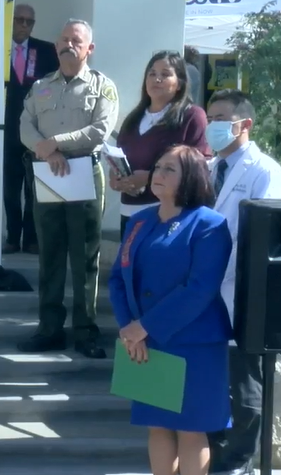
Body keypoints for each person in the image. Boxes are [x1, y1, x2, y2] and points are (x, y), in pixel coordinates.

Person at [109, 145, 233, 475]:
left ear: (190, 178)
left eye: (169, 169)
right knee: (158, 425)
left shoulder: (209, 224)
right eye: (158, 167)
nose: (158, 175)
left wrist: (145, 326)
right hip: (144, 343)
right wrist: (128, 327)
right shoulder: (138, 221)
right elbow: (118, 278)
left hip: (194, 343)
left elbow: (200, 288)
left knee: (192, 429)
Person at [17, 19, 119, 358]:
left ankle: (86, 330)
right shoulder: (42, 86)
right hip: (48, 171)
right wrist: (47, 150)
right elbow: (24, 124)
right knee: (50, 254)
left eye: (76, 40)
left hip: (83, 171)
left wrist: (54, 143)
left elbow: (101, 130)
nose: (68, 45)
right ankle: (49, 328)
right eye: (63, 39)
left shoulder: (102, 86)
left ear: (89, 48)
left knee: (85, 257)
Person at [205, 89, 281, 475]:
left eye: (220, 118)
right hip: (204, 295)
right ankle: (214, 456)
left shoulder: (264, 170)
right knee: (212, 384)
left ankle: (239, 462)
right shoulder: (205, 168)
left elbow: (256, 238)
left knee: (245, 389)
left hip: (243, 294)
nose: (211, 126)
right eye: (209, 117)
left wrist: (211, 273)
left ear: (244, 124)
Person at [0, 3, 58, 255]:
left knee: (35, 189)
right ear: (9, 21)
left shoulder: (45, 51)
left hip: (37, 131)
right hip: (5, 130)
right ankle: (12, 236)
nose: (24, 25)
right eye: (19, 20)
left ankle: (31, 239)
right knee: (10, 189)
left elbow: (55, 86)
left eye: (29, 22)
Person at [114, 50, 210, 236]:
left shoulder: (192, 116)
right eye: (152, 74)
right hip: (129, 212)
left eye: (165, 74)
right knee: (130, 264)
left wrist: (150, 178)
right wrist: (116, 178)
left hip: (168, 213)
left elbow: (200, 166)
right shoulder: (133, 119)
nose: (157, 79)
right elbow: (119, 158)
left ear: (180, 83)